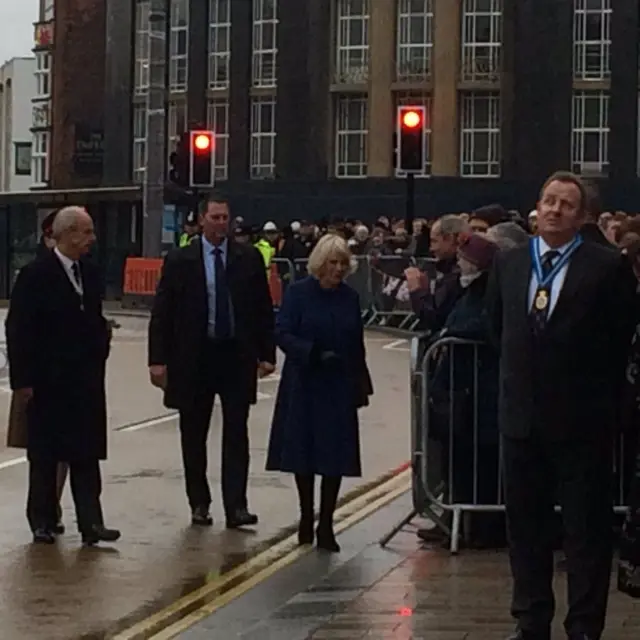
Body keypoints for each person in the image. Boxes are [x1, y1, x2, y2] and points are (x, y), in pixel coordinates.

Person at [486, 171, 638, 640]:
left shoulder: (606, 266)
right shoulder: (509, 262)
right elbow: (497, 327)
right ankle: (530, 620)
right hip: (522, 419)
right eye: (549, 201)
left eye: (565, 205)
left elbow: (619, 337)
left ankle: (585, 625)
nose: (554, 210)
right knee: (526, 531)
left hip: (581, 422)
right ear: (537, 206)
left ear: (581, 216)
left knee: (584, 533)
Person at [148, 191, 276, 528]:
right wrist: (157, 360)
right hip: (194, 356)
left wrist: (267, 353)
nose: (222, 224)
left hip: (235, 354)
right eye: (215, 217)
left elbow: (262, 308)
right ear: (202, 220)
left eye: (225, 218)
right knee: (194, 433)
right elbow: (162, 313)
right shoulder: (180, 260)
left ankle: (236, 505)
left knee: (237, 432)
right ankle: (199, 503)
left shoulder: (247, 259)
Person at [5, 206, 120, 546]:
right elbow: (19, 330)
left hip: (84, 381)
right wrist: (23, 381)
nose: (92, 239)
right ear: (68, 234)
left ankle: (91, 523)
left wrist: (101, 345)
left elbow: (95, 318)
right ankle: (42, 519)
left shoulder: (91, 273)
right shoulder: (35, 275)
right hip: (47, 382)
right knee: (45, 456)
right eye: (86, 233)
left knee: (86, 455)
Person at [266, 234, 372, 552]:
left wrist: (360, 384)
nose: (338, 269)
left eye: (343, 263)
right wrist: (310, 352)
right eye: (332, 263)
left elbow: (356, 343)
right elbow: (282, 331)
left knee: (333, 457)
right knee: (304, 454)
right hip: (305, 381)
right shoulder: (298, 293)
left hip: (337, 384)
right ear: (319, 264)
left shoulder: (349, 298)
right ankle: (305, 517)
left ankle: (326, 523)